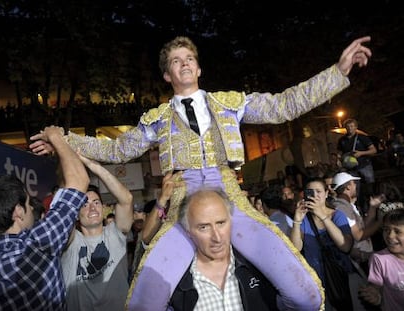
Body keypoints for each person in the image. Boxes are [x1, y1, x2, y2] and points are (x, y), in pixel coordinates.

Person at [29, 35, 372, 310]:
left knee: (307, 296)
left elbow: (284, 105)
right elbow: (116, 150)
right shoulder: (157, 119)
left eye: (189, 59)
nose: (184, 64)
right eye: (176, 62)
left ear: (199, 67)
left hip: (229, 197)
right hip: (182, 204)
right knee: (143, 303)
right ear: (167, 75)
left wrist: (338, 73)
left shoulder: (230, 102)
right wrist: (62, 140)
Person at [0, 126, 89, 310]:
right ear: (18, 212)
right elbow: (78, 181)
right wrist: (55, 136)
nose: (32, 209)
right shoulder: (33, 248)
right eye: (28, 204)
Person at [170, 188, 279, 310]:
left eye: (221, 223)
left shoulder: (260, 268)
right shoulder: (177, 286)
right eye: (204, 227)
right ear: (188, 232)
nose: (217, 237)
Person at [60, 155, 134, 311]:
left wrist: (94, 166)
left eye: (96, 202)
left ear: (103, 208)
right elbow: (65, 197)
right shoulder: (71, 241)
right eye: (84, 205)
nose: (92, 208)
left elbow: (126, 199)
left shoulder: (115, 234)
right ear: (76, 213)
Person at [290, 177, 354, 310]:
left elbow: (345, 245)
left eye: (318, 191)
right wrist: (296, 221)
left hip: (339, 277)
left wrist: (323, 217)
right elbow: (295, 249)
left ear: (326, 194)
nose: (315, 195)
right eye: (310, 191)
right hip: (316, 281)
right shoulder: (304, 219)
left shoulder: (337, 215)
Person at [331, 172, 384, 310]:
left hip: (364, 259)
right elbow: (359, 235)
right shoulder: (342, 208)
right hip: (360, 261)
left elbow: (363, 226)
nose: (356, 186)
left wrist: (372, 207)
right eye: (354, 184)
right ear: (348, 187)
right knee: (371, 298)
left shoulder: (348, 206)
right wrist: (381, 221)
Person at [359, 209, 404, 311]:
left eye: (397, 231)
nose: (390, 236)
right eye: (386, 230)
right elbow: (375, 287)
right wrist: (375, 296)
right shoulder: (380, 259)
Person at [337, 118, 377, 210]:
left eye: (352, 126)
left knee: (369, 186)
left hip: (364, 165)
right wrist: (338, 160)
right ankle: (357, 208)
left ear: (356, 127)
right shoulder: (342, 140)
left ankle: (373, 205)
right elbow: (339, 152)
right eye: (348, 127)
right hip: (350, 168)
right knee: (354, 189)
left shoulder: (362, 138)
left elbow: (374, 150)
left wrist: (361, 153)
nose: (350, 128)